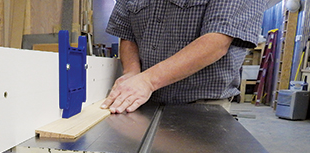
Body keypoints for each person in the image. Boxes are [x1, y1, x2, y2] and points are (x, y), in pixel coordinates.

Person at [101, 0, 265, 114]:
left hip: (201, 108)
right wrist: (132, 73)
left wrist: (147, 81)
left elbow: (217, 42)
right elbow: (127, 33)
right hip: (143, 102)